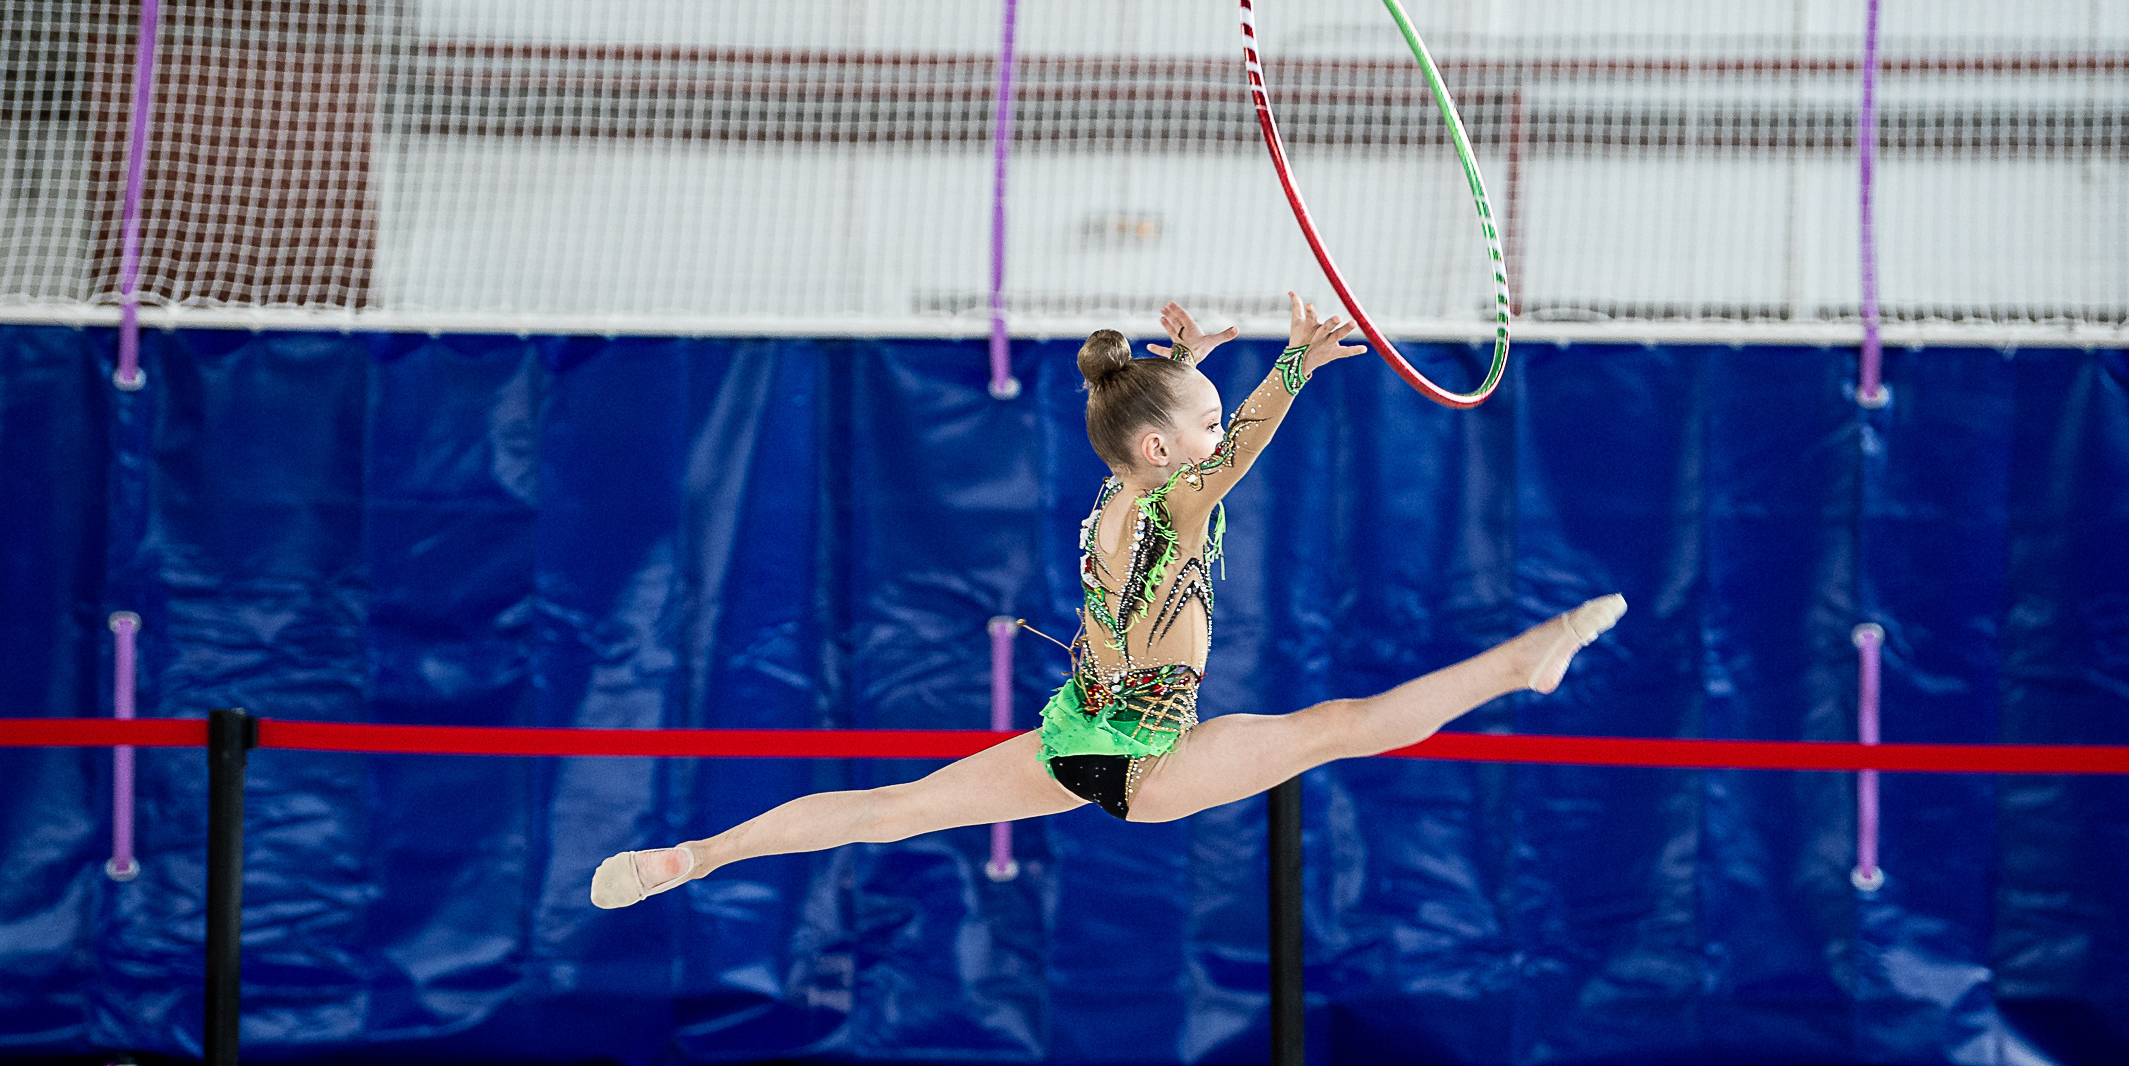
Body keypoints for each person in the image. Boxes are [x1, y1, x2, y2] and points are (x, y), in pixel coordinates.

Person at [591, 292, 1624, 908]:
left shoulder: (1118, 497)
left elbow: (1184, 435)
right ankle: (1524, 660)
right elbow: (1239, 447)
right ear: (1166, 449)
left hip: (1077, 734)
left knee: (887, 811)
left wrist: (1182, 373)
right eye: (1202, 424)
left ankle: (693, 856)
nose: (1219, 437)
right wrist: (1294, 366)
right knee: (1339, 727)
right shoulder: (1175, 506)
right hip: (1144, 761)